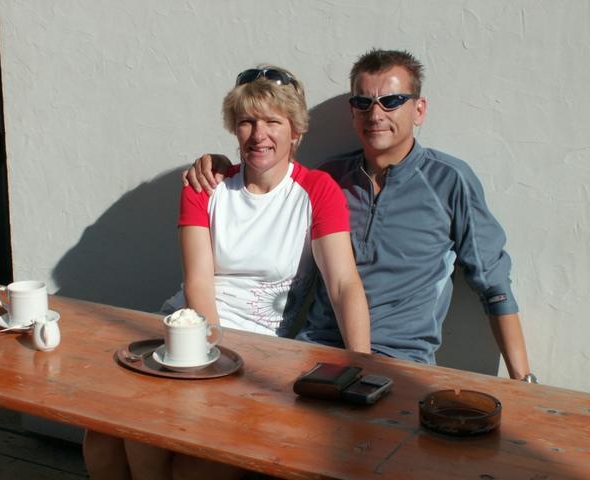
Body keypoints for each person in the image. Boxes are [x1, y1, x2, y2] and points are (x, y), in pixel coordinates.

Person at [84, 65, 371, 480]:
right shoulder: (205, 187)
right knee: (101, 438)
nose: (258, 135)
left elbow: (344, 285)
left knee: (167, 453)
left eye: (273, 122)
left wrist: (362, 367)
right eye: (247, 122)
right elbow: (198, 282)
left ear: (296, 131)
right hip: (191, 336)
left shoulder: (317, 191)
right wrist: (209, 356)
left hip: (258, 353)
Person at [183, 49, 535, 382]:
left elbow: (494, 283)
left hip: (402, 360)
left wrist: (524, 380)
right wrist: (216, 165)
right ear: (352, 112)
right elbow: (270, 173)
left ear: (419, 110)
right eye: (363, 103)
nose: (376, 114)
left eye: (392, 101)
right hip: (314, 349)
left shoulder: (448, 181)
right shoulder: (329, 179)